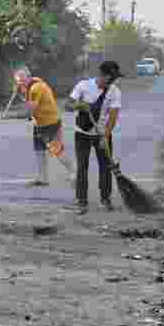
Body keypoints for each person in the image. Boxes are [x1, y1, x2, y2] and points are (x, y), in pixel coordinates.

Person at [66, 61, 123, 214]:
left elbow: (113, 116)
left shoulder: (115, 91)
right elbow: (68, 105)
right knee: (82, 167)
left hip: (102, 135)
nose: (113, 82)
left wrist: (105, 135)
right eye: (111, 78)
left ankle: (105, 199)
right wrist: (80, 105)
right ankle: (81, 201)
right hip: (82, 134)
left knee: (105, 167)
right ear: (102, 75)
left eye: (114, 79)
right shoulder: (83, 86)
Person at [13, 66, 61, 187]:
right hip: (39, 122)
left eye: (22, 81)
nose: (20, 84)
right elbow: (28, 102)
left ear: (28, 77)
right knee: (39, 151)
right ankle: (42, 178)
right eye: (18, 82)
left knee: (57, 151)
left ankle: (74, 173)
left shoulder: (35, 88)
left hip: (49, 122)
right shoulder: (30, 85)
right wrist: (21, 93)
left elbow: (30, 110)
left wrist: (12, 116)